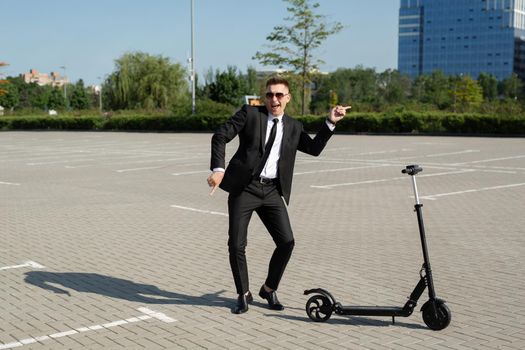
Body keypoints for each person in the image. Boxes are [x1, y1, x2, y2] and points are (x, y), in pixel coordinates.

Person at [208, 77, 350, 314]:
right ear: (265, 97)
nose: (274, 99)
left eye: (279, 95)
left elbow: (314, 149)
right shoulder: (250, 115)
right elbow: (220, 135)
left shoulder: (293, 126)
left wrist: (330, 122)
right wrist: (218, 170)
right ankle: (243, 293)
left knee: (286, 242)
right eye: (270, 95)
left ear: (288, 98)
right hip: (245, 188)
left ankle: (269, 288)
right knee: (236, 244)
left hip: (272, 190)